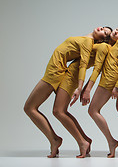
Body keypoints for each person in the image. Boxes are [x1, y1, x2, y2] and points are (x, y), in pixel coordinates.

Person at [24, 26, 112, 158]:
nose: (102, 29)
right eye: (104, 28)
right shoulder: (86, 40)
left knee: (31, 108)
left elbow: (83, 65)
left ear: (102, 40)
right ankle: (83, 140)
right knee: (60, 111)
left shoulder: (89, 43)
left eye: (105, 33)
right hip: (59, 71)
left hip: (54, 73)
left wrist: (81, 87)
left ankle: (61, 140)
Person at [50, 25, 118, 158]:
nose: (115, 32)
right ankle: (85, 140)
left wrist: (85, 89)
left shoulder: (105, 47)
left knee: (59, 111)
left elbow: (96, 69)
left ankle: (91, 142)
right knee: (61, 111)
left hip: (73, 77)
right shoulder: (104, 46)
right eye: (116, 29)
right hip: (72, 75)